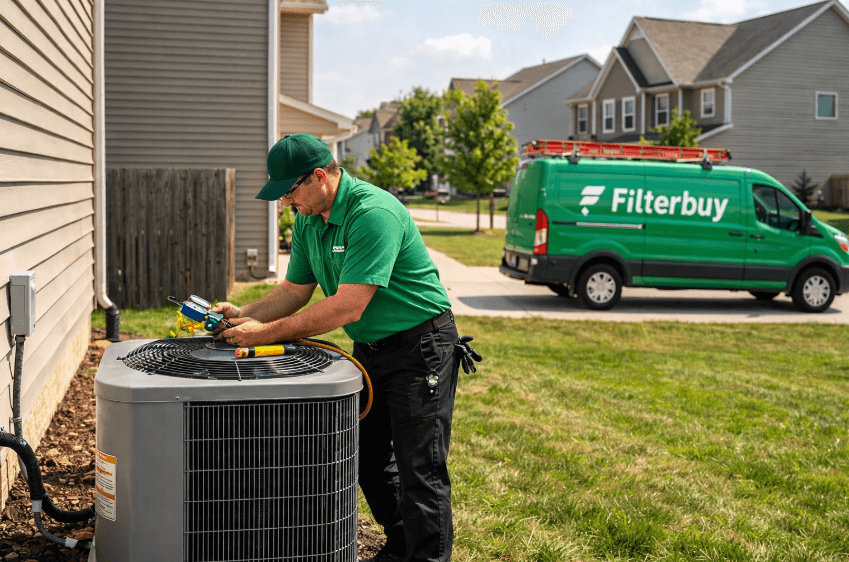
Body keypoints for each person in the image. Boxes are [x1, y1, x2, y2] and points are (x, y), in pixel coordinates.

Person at [214, 133, 475, 562]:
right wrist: (244, 313)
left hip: (421, 348)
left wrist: (265, 334)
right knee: (366, 459)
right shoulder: (309, 218)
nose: (284, 204)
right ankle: (402, 546)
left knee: (420, 471)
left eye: (289, 192)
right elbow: (295, 290)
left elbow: (347, 306)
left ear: (319, 176)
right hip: (371, 350)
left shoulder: (373, 213)